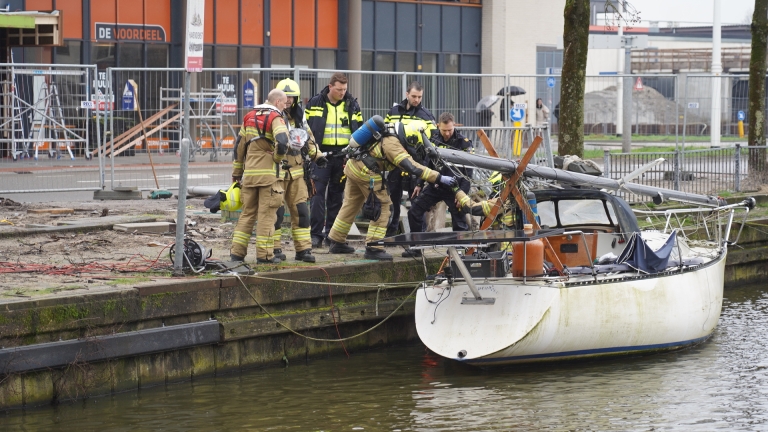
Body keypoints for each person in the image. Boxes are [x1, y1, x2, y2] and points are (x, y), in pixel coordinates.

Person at [326, 121, 459, 261]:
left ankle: (337, 241)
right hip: (366, 171)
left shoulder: (390, 132)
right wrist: (438, 177)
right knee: (383, 207)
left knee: (350, 205)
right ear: (410, 137)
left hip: (354, 167)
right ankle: (373, 247)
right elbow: (411, 166)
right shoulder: (393, 144)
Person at [271, 79, 329, 263]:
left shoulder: (298, 116)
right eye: (285, 96)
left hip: (296, 172)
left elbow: (308, 138)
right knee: (276, 214)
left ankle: (303, 250)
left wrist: (317, 156)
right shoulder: (271, 116)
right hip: (277, 171)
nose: (288, 100)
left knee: (302, 212)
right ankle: (274, 249)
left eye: (292, 97)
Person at [229, 89, 289, 264]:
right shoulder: (275, 118)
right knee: (266, 216)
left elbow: (239, 148)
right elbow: (283, 143)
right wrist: (277, 158)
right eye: (284, 103)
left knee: (247, 214)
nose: (285, 106)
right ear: (277, 102)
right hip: (269, 177)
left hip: (249, 176)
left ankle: (237, 254)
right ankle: (264, 256)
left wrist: (237, 173)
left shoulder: (249, 117)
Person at [402, 112, 473, 258]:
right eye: (444, 130)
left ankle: (458, 250)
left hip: (455, 188)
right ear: (438, 126)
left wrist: (463, 195)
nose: (447, 133)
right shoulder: (433, 140)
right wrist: (419, 184)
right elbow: (427, 164)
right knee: (414, 211)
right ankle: (416, 247)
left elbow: (468, 172)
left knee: (459, 220)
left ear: (454, 126)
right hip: (437, 185)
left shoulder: (463, 143)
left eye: (450, 130)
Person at [305, 73, 363, 249]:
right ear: (330, 87)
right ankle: (316, 235)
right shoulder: (315, 103)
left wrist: (353, 153)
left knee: (337, 197)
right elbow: (306, 129)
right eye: (339, 89)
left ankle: (332, 235)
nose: (342, 93)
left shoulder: (352, 104)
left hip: (343, 156)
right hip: (321, 155)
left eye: (345, 89)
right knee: (317, 195)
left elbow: (359, 131)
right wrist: (312, 152)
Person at [383, 81, 437, 237]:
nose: (417, 100)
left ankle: (418, 236)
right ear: (407, 94)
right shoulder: (393, 112)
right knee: (393, 198)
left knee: (416, 203)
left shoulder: (426, 116)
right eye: (414, 96)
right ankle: (391, 231)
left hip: (416, 163)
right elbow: (386, 136)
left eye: (419, 97)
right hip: (395, 163)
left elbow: (433, 144)